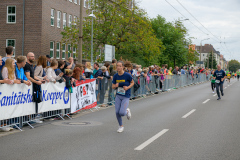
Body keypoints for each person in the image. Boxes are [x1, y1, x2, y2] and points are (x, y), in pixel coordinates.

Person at [112, 61, 134, 133]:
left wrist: (127, 88)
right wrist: (116, 86)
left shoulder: (127, 75)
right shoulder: (115, 76)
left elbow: (132, 82)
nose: (118, 67)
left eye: (120, 66)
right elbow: (112, 86)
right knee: (117, 112)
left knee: (122, 112)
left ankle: (127, 111)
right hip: (118, 95)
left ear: (123, 67)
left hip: (126, 96)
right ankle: (121, 126)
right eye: (117, 66)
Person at [24, 52, 45, 123]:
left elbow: (33, 76)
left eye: (33, 56)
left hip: (33, 85)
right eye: (31, 56)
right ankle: (29, 119)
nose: (33, 57)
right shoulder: (26, 65)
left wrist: (40, 80)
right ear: (28, 57)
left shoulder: (31, 65)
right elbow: (28, 77)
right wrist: (36, 82)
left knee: (35, 101)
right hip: (29, 86)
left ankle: (32, 118)